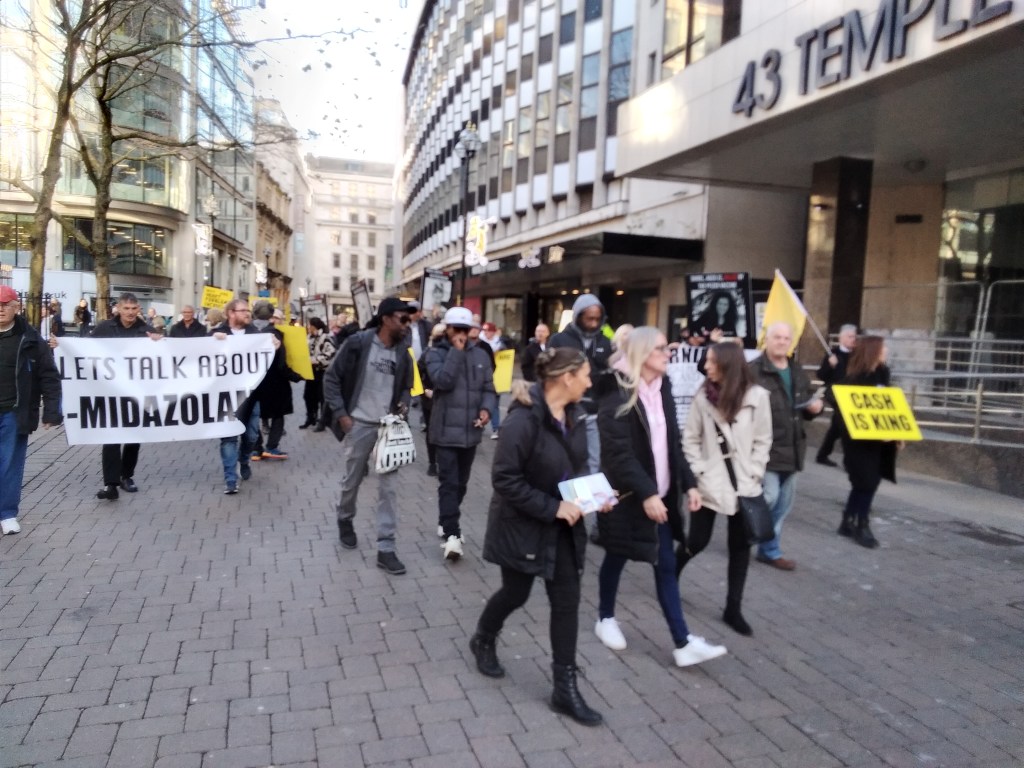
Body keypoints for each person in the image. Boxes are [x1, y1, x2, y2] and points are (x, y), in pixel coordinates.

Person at [472, 348, 604, 726]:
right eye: (586, 375)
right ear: (566, 377)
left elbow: (574, 470)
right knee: (516, 592)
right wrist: (552, 508)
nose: (590, 382)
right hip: (523, 527)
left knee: (567, 601)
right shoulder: (522, 421)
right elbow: (505, 480)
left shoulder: (576, 416)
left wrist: (594, 496)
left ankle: (564, 688)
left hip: (564, 530)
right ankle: (483, 637)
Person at [593, 327, 727, 667]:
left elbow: (672, 441)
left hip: (661, 495)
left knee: (665, 564)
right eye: (661, 349)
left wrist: (690, 483)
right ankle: (605, 617)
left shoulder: (662, 385)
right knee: (617, 553)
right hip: (626, 495)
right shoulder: (616, 390)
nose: (669, 353)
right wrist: (647, 492)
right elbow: (618, 453)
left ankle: (682, 642)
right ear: (641, 353)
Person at [679, 342, 772, 636]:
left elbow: (763, 439)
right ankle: (669, 575)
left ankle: (733, 608)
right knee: (698, 540)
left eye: (711, 361)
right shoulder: (702, 398)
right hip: (710, 482)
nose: (706, 366)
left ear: (728, 364)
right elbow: (690, 439)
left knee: (740, 547)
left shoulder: (758, 398)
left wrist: (755, 471)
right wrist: (699, 470)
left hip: (744, 484)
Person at [323, 297, 414, 576]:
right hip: (359, 424)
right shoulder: (359, 343)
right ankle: (345, 517)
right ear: (386, 318)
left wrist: (403, 403)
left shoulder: (403, 352)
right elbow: (331, 378)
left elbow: (407, 386)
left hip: (388, 428)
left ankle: (386, 548)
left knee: (389, 488)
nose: (407, 324)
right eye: (402, 318)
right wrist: (342, 415)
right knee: (352, 480)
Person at [748, 322, 823, 571]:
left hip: (793, 446)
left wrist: (815, 408)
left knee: (783, 504)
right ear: (766, 340)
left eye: (786, 338)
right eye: (777, 337)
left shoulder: (796, 369)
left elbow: (807, 399)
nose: (782, 342)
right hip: (765, 447)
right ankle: (747, 532)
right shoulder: (754, 370)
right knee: (769, 497)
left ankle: (769, 550)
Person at [423, 306, 497, 561]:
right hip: (444, 432)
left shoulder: (481, 355)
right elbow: (442, 381)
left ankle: (446, 519)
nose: (463, 335)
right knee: (449, 483)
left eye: (466, 330)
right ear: (448, 329)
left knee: (462, 484)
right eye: (458, 330)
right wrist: (456, 352)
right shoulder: (435, 354)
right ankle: (452, 534)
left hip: (470, 431)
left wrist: (487, 408)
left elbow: (489, 387)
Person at [0, 286, 62, 535]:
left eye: (6, 304)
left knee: (9, 463)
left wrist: (51, 411)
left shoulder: (31, 339)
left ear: (17, 307)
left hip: (15, 411)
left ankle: (6, 513)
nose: (1, 309)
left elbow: (48, 375)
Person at [91, 292, 164, 499]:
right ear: (119, 309)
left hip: (138, 392)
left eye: (134, 309)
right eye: (126, 309)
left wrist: (159, 341)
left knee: (133, 436)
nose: (130, 313)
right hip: (111, 391)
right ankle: (111, 484)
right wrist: (61, 347)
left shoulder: (147, 331)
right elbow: (84, 350)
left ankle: (126, 475)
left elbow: (163, 356)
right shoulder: (104, 328)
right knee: (112, 436)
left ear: (138, 309)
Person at [838, 336, 898, 549]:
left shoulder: (882, 373)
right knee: (867, 481)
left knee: (866, 482)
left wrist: (896, 432)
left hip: (880, 440)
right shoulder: (855, 379)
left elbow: (887, 405)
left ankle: (848, 520)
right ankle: (861, 524)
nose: (887, 350)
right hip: (858, 441)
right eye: (883, 347)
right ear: (873, 350)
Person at [549, 295, 613, 476]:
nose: (593, 324)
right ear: (578, 316)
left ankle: (590, 494)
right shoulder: (559, 340)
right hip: (567, 410)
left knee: (594, 457)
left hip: (595, 410)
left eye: (597, 319)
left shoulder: (606, 341)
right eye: (589, 318)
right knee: (565, 453)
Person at [209, 299, 266, 494]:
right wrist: (210, 342)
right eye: (243, 311)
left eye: (248, 311)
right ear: (230, 313)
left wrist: (274, 344)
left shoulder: (256, 335)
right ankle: (230, 479)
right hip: (225, 396)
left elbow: (269, 353)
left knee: (251, 435)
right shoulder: (216, 334)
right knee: (228, 438)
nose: (247, 314)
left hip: (251, 395)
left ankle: (244, 460)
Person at [251, 304, 297, 460]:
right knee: (278, 415)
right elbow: (281, 363)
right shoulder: (276, 334)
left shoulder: (248, 332)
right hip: (276, 382)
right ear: (271, 317)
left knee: (253, 415)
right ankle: (271, 447)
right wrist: (295, 376)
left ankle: (256, 448)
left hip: (254, 382)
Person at [816, 324, 858, 466]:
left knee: (837, 425)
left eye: (854, 336)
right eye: (850, 336)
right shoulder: (832, 353)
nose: (853, 339)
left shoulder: (857, 355)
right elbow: (821, 375)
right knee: (846, 423)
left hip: (851, 393)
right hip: (834, 392)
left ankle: (822, 455)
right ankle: (849, 460)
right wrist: (830, 365)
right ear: (841, 338)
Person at [419, 322, 446, 476]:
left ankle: (443, 461)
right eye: (439, 333)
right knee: (431, 430)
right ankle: (432, 462)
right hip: (430, 399)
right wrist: (423, 390)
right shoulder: (427, 353)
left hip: (447, 398)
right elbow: (416, 372)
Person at [301, 317, 335, 429]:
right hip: (310, 371)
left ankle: (323, 422)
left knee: (322, 397)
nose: (308, 327)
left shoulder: (325, 337)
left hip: (322, 371)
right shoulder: (308, 337)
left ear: (314, 326)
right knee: (308, 396)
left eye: (309, 325)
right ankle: (311, 418)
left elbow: (331, 352)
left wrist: (317, 359)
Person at [478, 321, 505, 438]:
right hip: (481, 378)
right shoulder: (479, 343)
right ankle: (480, 424)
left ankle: (495, 428)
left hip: (496, 378)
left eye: (488, 330)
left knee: (495, 404)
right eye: (484, 330)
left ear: (493, 332)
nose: (486, 333)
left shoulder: (501, 344)